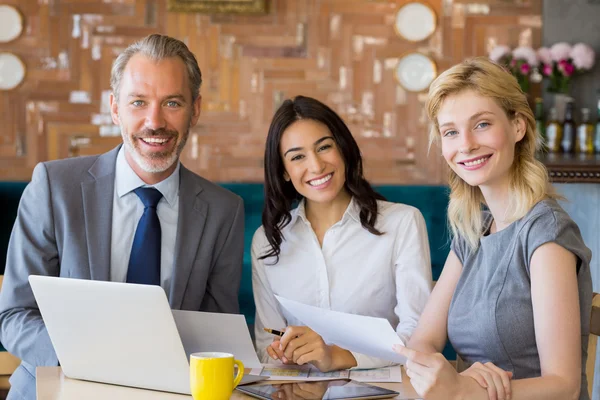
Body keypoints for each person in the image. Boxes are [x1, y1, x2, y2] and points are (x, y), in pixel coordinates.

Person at [0, 34, 245, 400]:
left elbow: (215, 332)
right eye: (138, 102)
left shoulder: (223, 210)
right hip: (56, 390)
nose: (154, 121)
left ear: (195, 109)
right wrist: (90, 364)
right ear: (115, 108)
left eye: (172, 103)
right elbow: (16, 314)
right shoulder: (54, 187)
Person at [393, 57, 593, 400]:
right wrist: (451, 378)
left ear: (518, 126)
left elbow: (564, 385)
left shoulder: (546, 233)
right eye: (451, 132)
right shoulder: (475, 231)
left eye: (482, 124)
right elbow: (422, 342)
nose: (466, 144)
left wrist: (464, 389)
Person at [252, 95, 432, 372]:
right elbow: (267, 343)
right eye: (297, 156)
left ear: (344, 150)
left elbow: (419, 336)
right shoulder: (267, 240)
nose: (316, 166)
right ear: (284, 171)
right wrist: (282, 354)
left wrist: (336, 357)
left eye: (324, 147)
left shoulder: (402, 223)